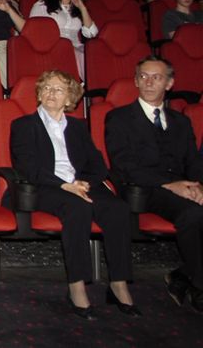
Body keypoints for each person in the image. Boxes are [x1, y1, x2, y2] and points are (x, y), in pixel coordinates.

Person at [11, 70, 138, 320]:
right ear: (39, 94)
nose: (51, 93)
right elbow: (27, 167)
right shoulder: (23, 125)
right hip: (45, 187)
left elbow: (98, 165)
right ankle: (77, 286)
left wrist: (83, 184)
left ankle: (119, 283)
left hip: (81, 185)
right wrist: (65, 185)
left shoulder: (78, 127)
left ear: (70, 98)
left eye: (58, 89)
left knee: (118, 209)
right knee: (78, 208)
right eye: (46, 88)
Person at [105, 56, 203, 313]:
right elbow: (124, 165)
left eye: (156, 77)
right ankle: (199, 286)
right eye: (143, 76)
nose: (148, 82)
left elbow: (193, 161)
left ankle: (183, 275)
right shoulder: (119, 118)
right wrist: (171, 184)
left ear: (169, 84)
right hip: (142, 189)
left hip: (181, 187)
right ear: (136, 81)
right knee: (193, 214)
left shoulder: (181, 121)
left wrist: (198, 186)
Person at [30, 0, 98, 79]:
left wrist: (82, 8)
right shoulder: (42, 5)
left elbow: (91, 33)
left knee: (92, 53)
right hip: (52, 46)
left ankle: (92, 85)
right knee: (76, 53)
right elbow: (31, 30)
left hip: (76, 46)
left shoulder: (78, 8)